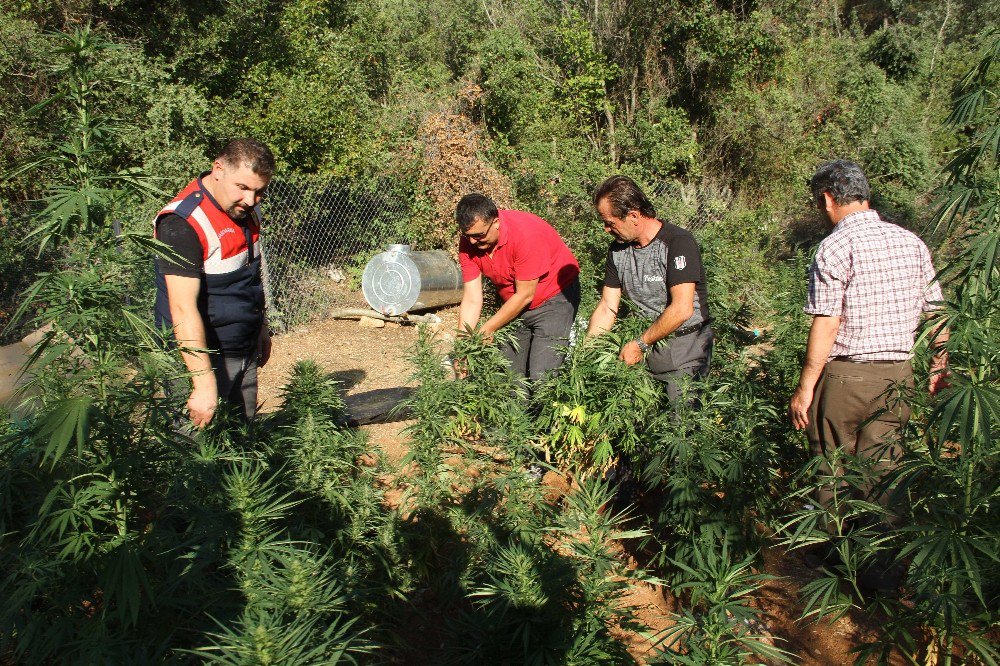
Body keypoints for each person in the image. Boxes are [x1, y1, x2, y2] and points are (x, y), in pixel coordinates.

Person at [789, 160, 948, 532]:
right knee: (885, 468)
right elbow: (938, 313)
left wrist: (805, 387)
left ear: (828, 200)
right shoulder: (912, 243)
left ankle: (835, 550)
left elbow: (828, 322)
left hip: (846, 376)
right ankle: (882, 563)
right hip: (898, 376)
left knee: (832, 465)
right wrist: (940, 365)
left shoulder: (834, 247)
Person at [154, 138, 276, 427]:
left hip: (241, 347)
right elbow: (182, 309)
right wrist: (202, 383)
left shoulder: (246, 212)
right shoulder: (182, 223)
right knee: (197, 453)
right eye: (242, 187)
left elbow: (251, 276)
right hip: (202, 358)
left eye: (259, 191)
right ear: (218, 169)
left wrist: (261, 328)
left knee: (241, 438)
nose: (250, 200)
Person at [587, 176, 713, 402]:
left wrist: (640, 343)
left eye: (610, 222)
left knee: (680, 425)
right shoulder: (618, 251)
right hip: (641, 348)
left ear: (633, 216)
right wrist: (586, 353)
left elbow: (682, 309)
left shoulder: (677, 242)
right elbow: (607, 307)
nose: (606, 229)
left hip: (685, 348)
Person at [456, 194, 581, 383]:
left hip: (554, 298)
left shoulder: (525, 235)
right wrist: (463, 346)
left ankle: (545, 411)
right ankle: (514, 412)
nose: (473, 242)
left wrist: (487, 329)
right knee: (508, 377)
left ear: (496, 222)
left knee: (542, 377)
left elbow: (525, 295)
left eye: (479, 235)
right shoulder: (469, 244)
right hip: (514, 302)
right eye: (468, 236)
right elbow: (472, 298)